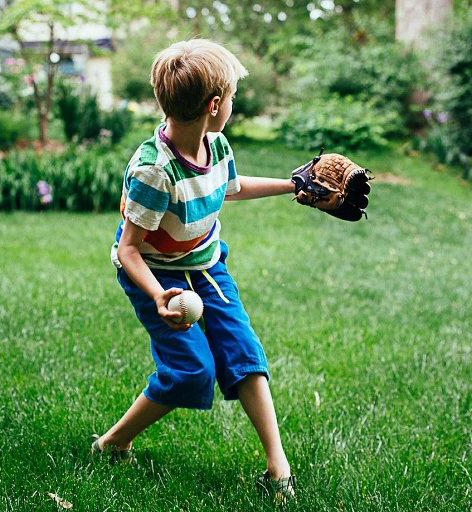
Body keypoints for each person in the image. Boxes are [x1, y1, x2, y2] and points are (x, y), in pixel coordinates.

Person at [92, 39, 297, 501]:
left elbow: (232, 187)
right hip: (156, 275)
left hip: (206, 266)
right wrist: (157, 294)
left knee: (244, 353)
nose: (233, 107)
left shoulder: (215, 143)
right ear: (215, 104)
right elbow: (128, 249)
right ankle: (113, 442)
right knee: (190, 372)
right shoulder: (153, 170)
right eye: (233, 98)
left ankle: (277, 465)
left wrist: (294, 184)